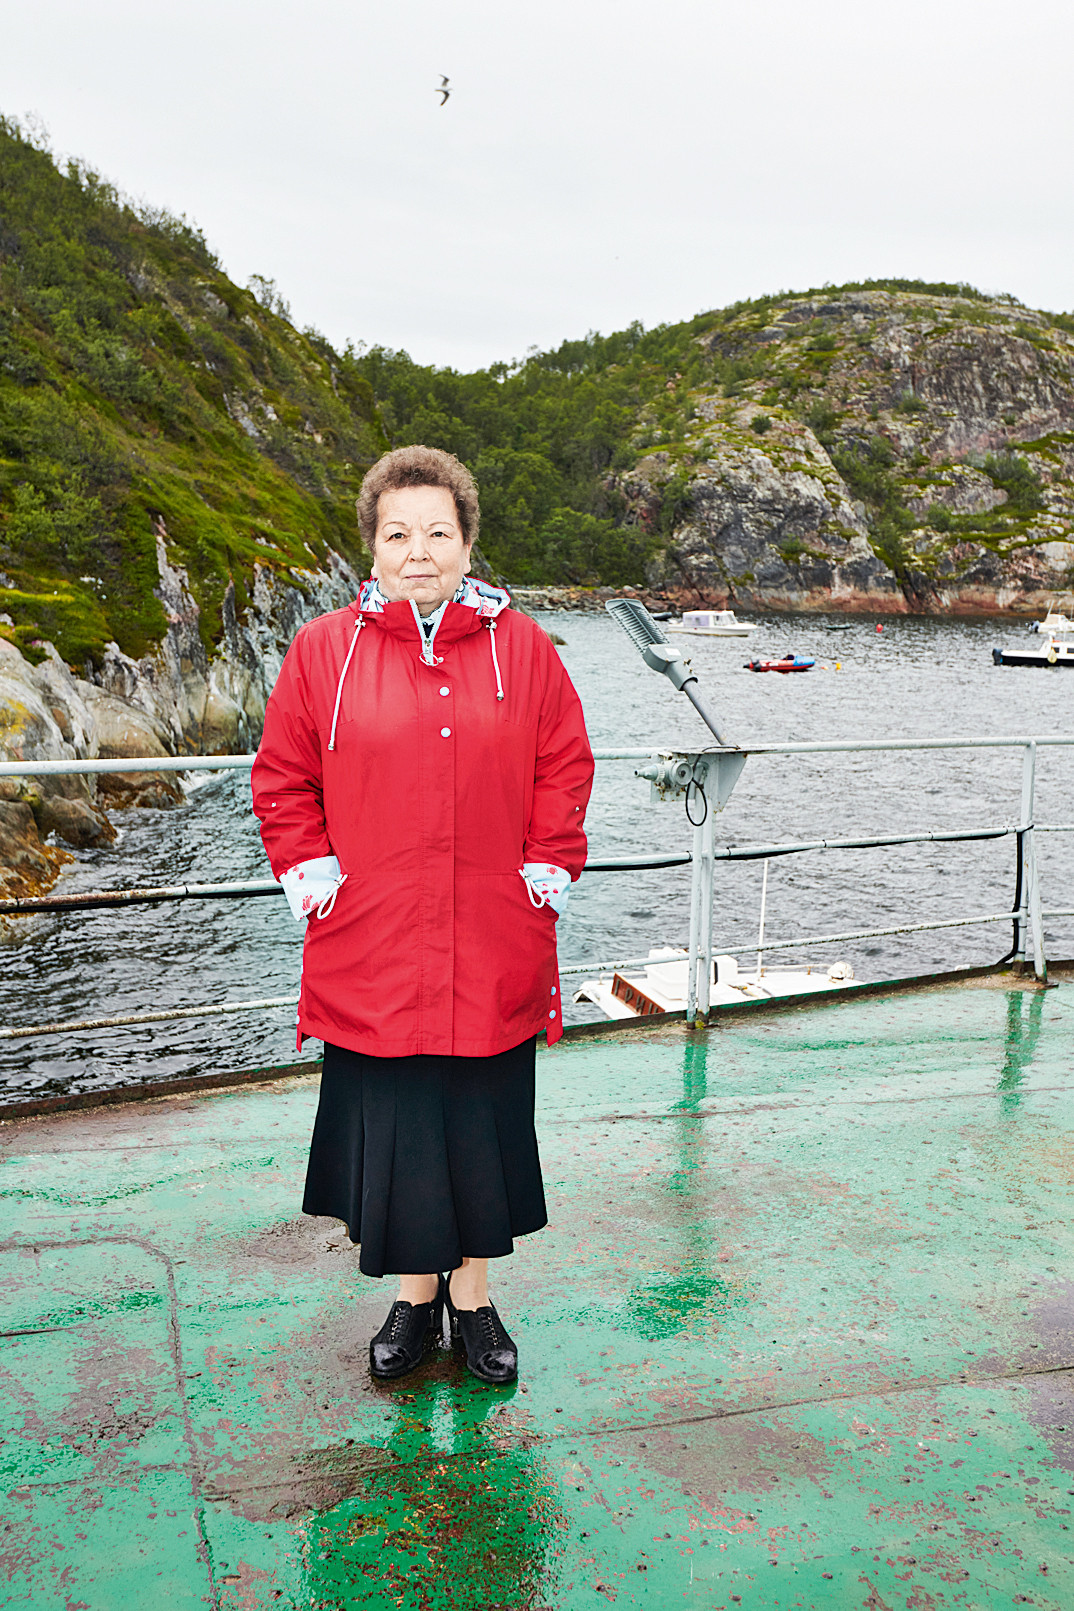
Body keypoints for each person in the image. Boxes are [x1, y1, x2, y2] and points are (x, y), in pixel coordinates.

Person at [251, 445, 594, 1384]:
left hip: (491, 936)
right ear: (372, 544)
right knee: (400, 1130)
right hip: (373, 940)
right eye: (398, 533)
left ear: (467, 543)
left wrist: (546, 862)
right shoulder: (324, 649)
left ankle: (473, 1301)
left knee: (481, 1125)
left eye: (438, 532)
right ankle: (413, 1298)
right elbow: (284, 773)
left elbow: (564, 761)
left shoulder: (523, 648)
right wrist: (311, 869)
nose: (418, 551)